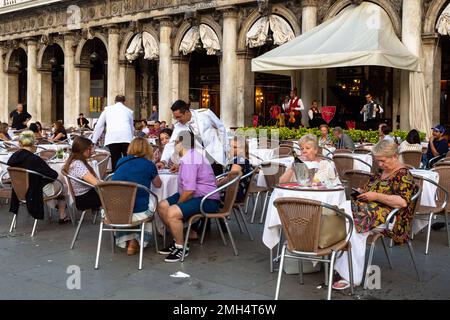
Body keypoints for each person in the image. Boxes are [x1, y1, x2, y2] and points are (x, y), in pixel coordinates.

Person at [333, 140, 416, 290]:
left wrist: (376, 196)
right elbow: (369, 189)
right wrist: (363, 192)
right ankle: (343, 267)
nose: (380, 164)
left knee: (352, 223)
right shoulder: (381, 172)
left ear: (395, 156)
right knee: (343, 215)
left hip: (392, 219)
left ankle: (349, 275)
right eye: (377, 161)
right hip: (370, 213)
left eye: (383, 161)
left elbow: (402, 202)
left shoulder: (404, 174)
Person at [157, 130, 220, 262]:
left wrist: (177, 205)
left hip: (206, 199)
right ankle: (176, 239)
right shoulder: (189, 157)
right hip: (197, 195)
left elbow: (189, 191)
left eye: (175, 142)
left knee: (172, 211)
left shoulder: (190, 159)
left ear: (180, 144)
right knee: (162, 206)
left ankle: (181, 247)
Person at [111, 137, 162, 255]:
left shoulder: (120, 161)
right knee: (151, 201)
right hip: (139, 210)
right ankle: (134, 241)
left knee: (129, 200)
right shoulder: (149, 165)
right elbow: (158, 185)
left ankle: (129, 240)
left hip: (116, 210)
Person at [8, 131, 69, 224]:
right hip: (35, 192)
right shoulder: (34, 159)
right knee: (64, 186)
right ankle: (62, 215)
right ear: (34, 144)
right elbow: (53, 175)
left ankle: (56, 205)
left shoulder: (13, 157)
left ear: (20, 143)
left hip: (19, 191)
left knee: (56, 182)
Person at [157, 100, 228, 177]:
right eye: (175, 117)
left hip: (215, 154)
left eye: (179, 117)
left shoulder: (205, 113)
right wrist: (163, 161)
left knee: (219, 181)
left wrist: (225, 149)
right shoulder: (178, 126)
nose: (177, 120)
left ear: (187, 112)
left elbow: (221, 129)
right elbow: (171, 144)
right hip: (198, 160)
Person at [92, 95, 135, 172]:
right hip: (126, 137)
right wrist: (131, 138)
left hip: (112, 137)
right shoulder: (129, 111)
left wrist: (93, 141)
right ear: (124, 102)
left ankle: (115, 179)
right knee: (128, 160)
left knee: (115, 159)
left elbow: (99, 126)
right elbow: (132, 127)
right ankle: (129, 178)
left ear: (114, 101)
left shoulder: (107, 110)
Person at [63, 136, 102, 212]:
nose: (92, 151)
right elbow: (97, 183)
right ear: (85, 150)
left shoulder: (73, 160)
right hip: (85, 199)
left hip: (82, 196)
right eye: (90, 149)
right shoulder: (78, 164)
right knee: (116, 195)